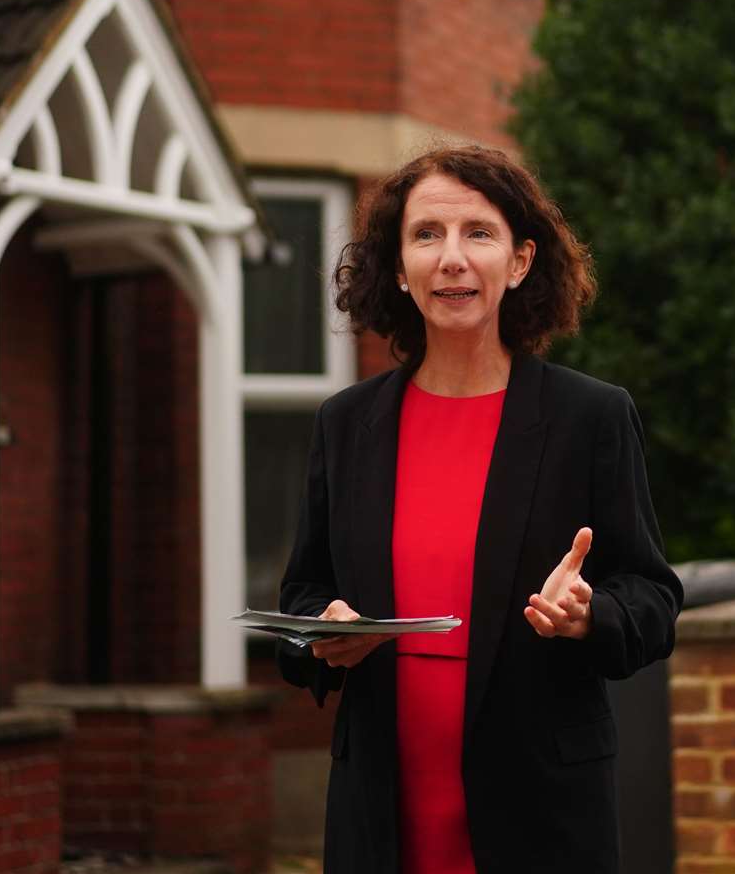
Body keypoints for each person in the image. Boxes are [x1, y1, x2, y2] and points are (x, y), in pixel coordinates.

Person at [277, 145, 682, 873]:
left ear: (520, 262)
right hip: (383, 808)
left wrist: (592, 614)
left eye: (479, 234)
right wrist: (320, 634)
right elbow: (301, 595)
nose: (451, 258)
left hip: (540, 813)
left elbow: (652, 598)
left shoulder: (588, 417)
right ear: (398, 269)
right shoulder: (347, 424)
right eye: (426, 235)